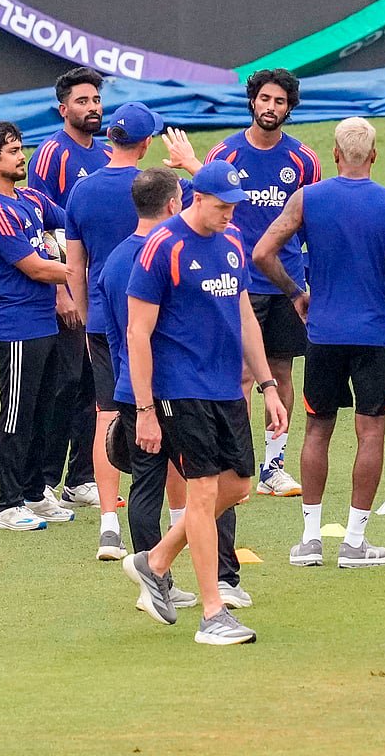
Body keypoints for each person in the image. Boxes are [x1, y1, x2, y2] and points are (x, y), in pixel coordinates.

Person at [121, 161, 288, 645]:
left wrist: (267, 385)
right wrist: (147, 410)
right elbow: (137, 333)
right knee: (203, 493)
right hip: (180, 390)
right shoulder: (161, 249)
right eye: (221, 207)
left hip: (224, 389)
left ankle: (153, 562)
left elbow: (245, 319)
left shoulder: (233, 243)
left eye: (234, 207)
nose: (228, 215)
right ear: (197, 199)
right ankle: (213, 612)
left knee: (237, 488)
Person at [252, 117, 385, 569]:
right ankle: (353, 542)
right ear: (373, 155)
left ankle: (310, 540)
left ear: (334, 154)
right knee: (370, 432)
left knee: (316, 429)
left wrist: (296, 294)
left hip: (323, 336)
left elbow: (261, 253)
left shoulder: (307, 199)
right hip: (374, 335)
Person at [163, 68, 321, 498]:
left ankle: (274, 464)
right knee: (244, 375)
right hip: (235, 285)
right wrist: (192, 165)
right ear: (253, 102)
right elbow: (202, 210)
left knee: (283, 372)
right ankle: (238, 462)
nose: (271, 108)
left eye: (280, 101)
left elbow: (312, 222)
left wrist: (309, 280)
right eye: (265, 99)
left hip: (285, 282)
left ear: (290, 107)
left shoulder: (303, 160)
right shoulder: (225, 154)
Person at [66, 103, 192, 561]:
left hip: (102, 319)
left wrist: (84, 316)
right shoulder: (163, 188)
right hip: (157, 318)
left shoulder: (81, 192)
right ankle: (181, 522)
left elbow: (74, 265)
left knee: (107, 418)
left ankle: (107, 526)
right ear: (144, 144)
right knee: (172, 420)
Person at [0, 121, 77, 531]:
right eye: (13, 151)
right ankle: (8, 504)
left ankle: (35, 492)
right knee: (16, 416)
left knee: (43, 413)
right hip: (17, 328)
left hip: (44, 326)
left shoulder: (30, 198)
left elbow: (71, 221)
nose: (22, 156)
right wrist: (81, 271)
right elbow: (34, 267)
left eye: (20, 148)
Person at [97, 167, 195, 610]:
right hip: (173, 389)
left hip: (129, 387)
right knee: (218, 481)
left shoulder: (115, 260)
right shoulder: (167, 254)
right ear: (173, 204)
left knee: (146, 487)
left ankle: (159, 584)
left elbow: (114, 333)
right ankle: (217, 580)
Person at [27, 67, 110, 508]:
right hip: (68, 288)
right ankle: (41, 481)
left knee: (90, 387)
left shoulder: (105, 155)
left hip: (98, 288)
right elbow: (37, 223)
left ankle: (79, 479)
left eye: (95, 99)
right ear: (63, 109)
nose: (92, 107)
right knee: (60, 386)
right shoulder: (51, 154)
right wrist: (63, 292)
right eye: (82, 101)